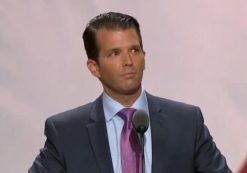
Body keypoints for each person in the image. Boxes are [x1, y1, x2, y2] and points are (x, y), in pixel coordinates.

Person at [29, 12, 232, 173]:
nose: (128, 61)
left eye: (134, 50)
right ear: (94, 67)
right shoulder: (66, 132)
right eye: (114, 53)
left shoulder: (187, 122)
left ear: (144, 56)